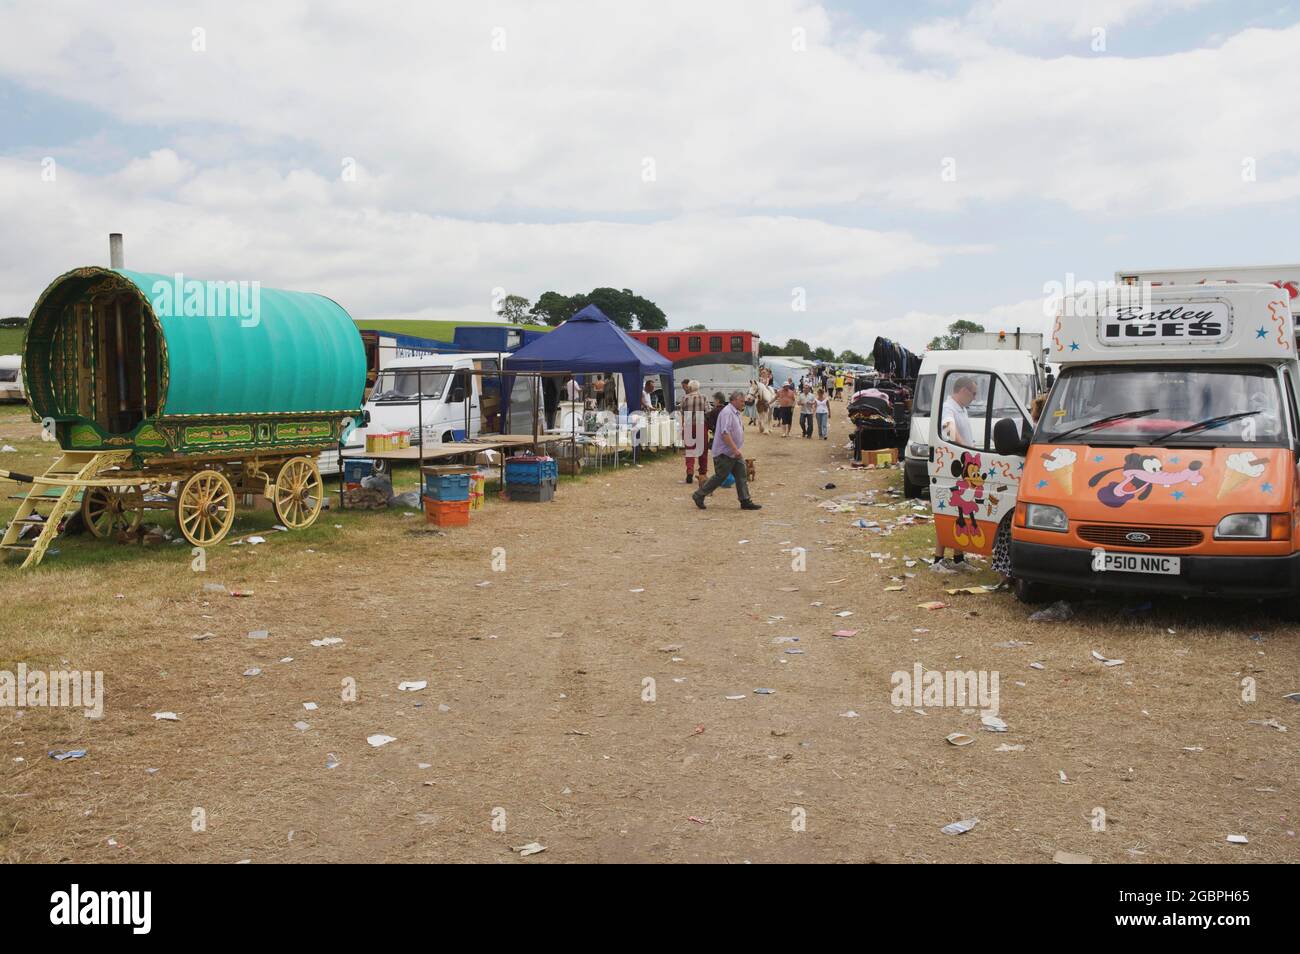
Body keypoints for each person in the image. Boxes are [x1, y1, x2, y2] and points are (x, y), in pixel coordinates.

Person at [933, 376, 980, 574]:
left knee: (958, 514)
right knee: (948, 514)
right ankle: (938, 560)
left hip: (964, 465)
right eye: (974, 393)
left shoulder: (961, 408)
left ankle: (958, 557)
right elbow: (949, 430)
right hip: (954, 465)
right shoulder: (948, 407)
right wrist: (967, 449)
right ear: (963, 390)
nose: (975, 398)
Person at [692, 391, 761, 511]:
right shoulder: (727, 412)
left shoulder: (735, 412)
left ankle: (745, 500)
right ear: (734, 400)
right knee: (720, 476)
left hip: (732, 452)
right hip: (725, 452)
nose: (743, 403)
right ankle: (699, 495)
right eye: (741, 401)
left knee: (741, 474)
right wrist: (734, 449)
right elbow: (725, 433)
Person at [679, 379, 711, 484]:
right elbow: (708, 412)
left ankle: (689, 471)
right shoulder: (703, 397)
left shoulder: (684, 398)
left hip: (689, 425)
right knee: (703, 450)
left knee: (690, 450)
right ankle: (702, 473)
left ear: (689, 387)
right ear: (698, 387)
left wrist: (682, 427)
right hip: (701, 425)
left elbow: (682, 413)